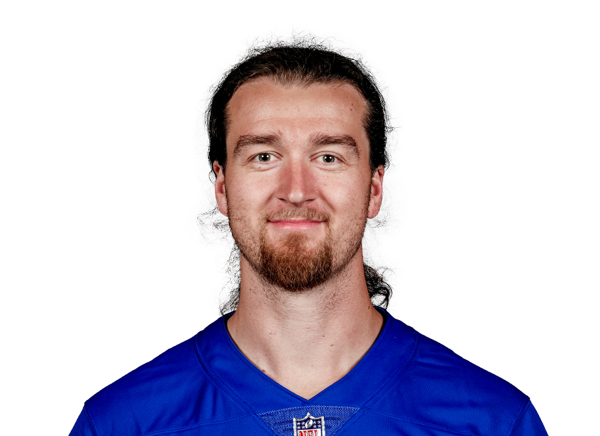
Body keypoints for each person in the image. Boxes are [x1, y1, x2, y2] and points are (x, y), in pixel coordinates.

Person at [69, 33, 548, 436]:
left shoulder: (495, 422)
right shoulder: (120, 424)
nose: (297, 191)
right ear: (222, 188)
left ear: (374, 190)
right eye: (264, 156)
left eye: (328, 157)